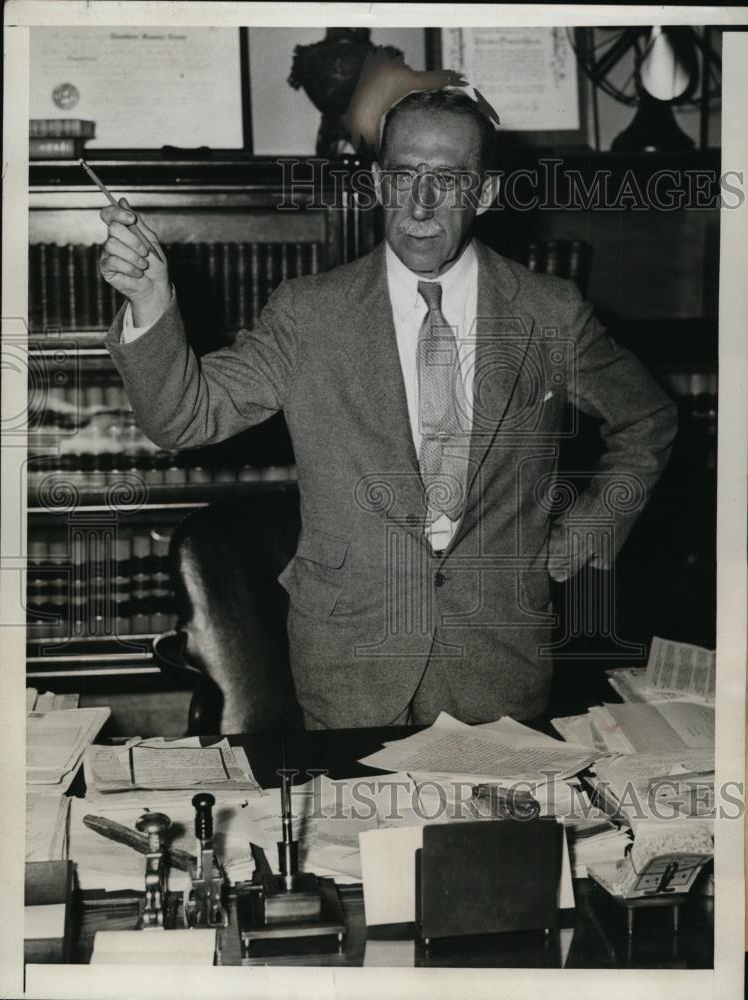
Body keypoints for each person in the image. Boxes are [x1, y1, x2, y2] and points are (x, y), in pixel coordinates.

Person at [101, 89, 677, 730]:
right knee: (357, 832)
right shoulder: (310, 314)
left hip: (498, 657)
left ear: (484, 194)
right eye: (405, 176)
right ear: (378, 183)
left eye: (448, 179)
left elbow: (647, 419)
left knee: (491, 831)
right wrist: (150, 301)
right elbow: (185, 415)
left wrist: (594, 527)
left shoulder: (549, 312)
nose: (422, 204)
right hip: (350, 662)